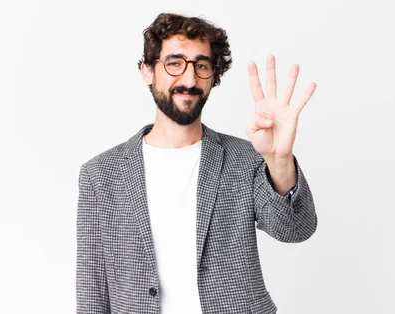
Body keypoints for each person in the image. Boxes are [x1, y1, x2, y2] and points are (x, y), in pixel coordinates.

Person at [76, 12, 317, 314]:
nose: (189, 80)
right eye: (174, 63)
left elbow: (295, 230)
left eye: (201, 66)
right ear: (147, 71)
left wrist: (279, 160)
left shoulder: (246, 158)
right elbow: (92, 289)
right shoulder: (101, 175)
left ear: (213, 77)